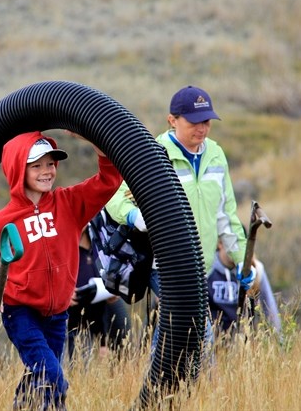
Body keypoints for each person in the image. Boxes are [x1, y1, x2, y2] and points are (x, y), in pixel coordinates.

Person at [0, 131, 122, 410]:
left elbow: (109, 180)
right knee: (53, 376)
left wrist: (94, 138)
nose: (47, 171)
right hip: (21, 313)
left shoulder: (68, 203)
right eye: (37, 165)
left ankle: (22, 406)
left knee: (41, 379)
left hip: (57, 314)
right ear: (19, 168)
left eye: (51, 164)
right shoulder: (3, 222)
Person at [105, 85, 256, 351]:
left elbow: (226, 216)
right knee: (200, 335)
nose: (202, 129)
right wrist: (134, 216)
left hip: (201, 267)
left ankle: (159, 387)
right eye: (194, 122)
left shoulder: (216, 155)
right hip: (164, 265)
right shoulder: (152, 154)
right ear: (172, 120)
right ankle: (203, 386)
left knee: (171, 335)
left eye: (207, 122)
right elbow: (113, 198)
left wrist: (243, 261)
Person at [67, 228, 126, 361]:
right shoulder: (65, 248)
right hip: (72, 321)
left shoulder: (99, 244)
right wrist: (63, 294)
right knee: (77, 364)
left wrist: (114, 289)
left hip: (99, 316)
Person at [207, 239, 281, 336]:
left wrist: (279, 343)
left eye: (241, 246)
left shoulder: (255, 271)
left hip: (243, 346)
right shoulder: (206, 269)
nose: (237, 250)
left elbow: (270, 310)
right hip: (212, 345)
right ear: (220, 243)